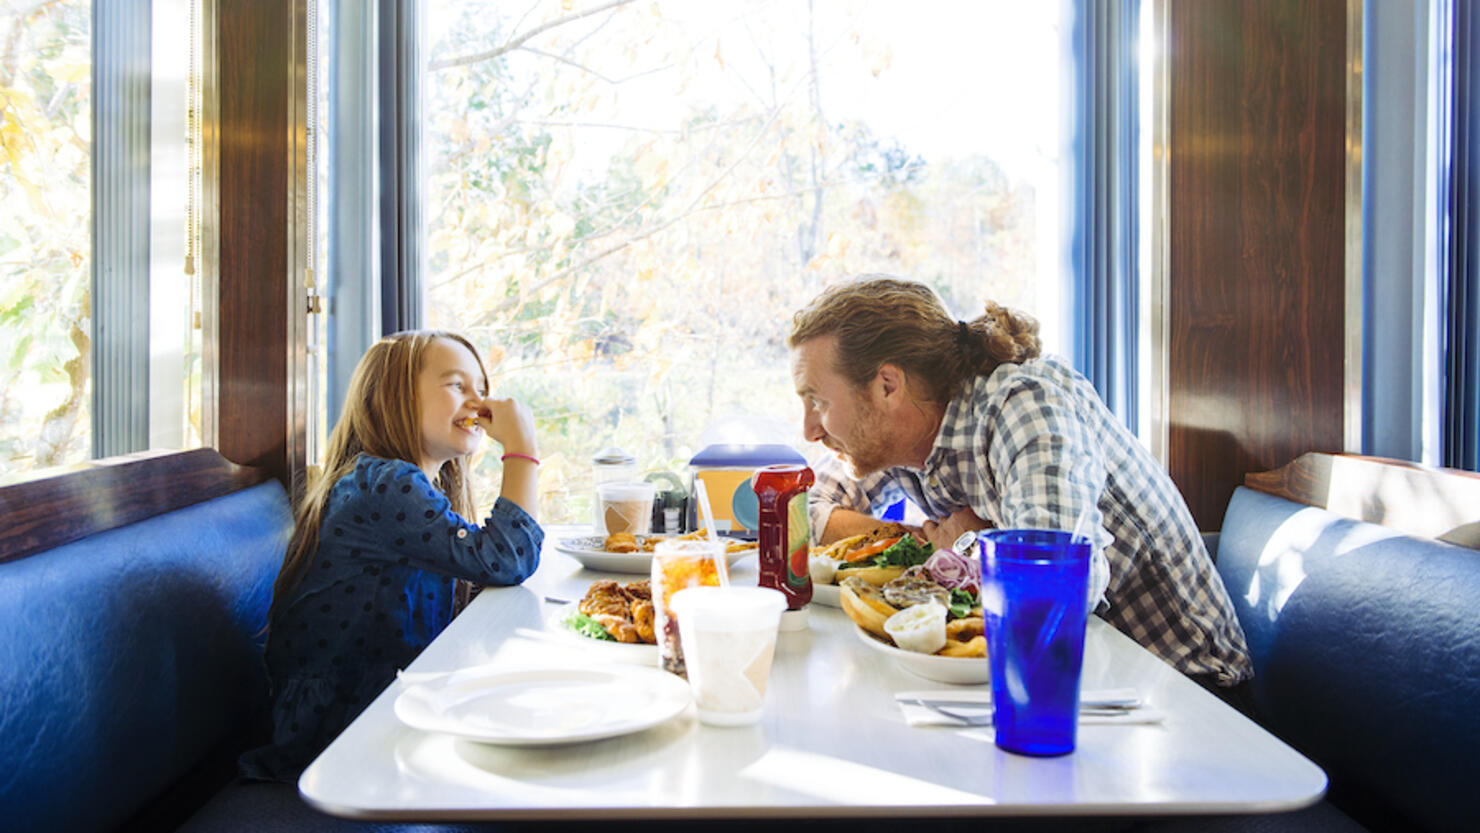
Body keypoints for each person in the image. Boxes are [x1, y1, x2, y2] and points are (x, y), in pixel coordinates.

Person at [789, 276, 1254, 701]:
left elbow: (1056, 588)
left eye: (818, 401)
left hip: (1183, 691)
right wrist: (929, 544)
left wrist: (967, 548)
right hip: (1058, 678)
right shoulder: (898, 438)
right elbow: (802, 511)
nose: (809, 429)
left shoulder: (1023, 406)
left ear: (887, 386)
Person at [239, 330, 544, 781]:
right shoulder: (384, 485)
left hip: (378, 705)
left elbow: (489, 570)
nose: (481, 405)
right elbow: (506, 558)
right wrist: (523, 450)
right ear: (391, 398)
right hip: (340, 729)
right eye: (458, 386)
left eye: (483, 390)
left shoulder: (405, 485)